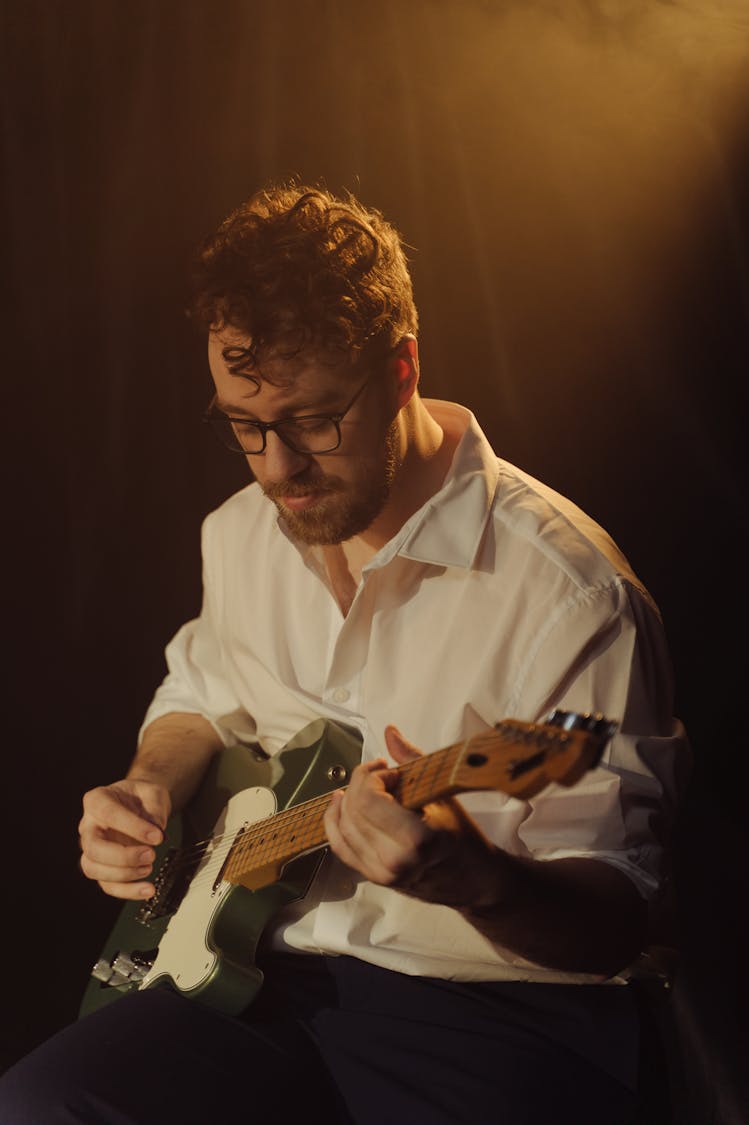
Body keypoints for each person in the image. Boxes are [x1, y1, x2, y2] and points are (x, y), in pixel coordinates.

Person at [0, 184, 687, 1123]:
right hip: (257, 981)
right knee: (43, 1102)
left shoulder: (573, 595)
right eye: (245, 426)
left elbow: (618, 921)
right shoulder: (239, 531)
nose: (278, 468)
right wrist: (147, 784)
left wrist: (474, 877)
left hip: (496, 1013)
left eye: (315, 421)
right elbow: (202, 690)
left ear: (402, 369)